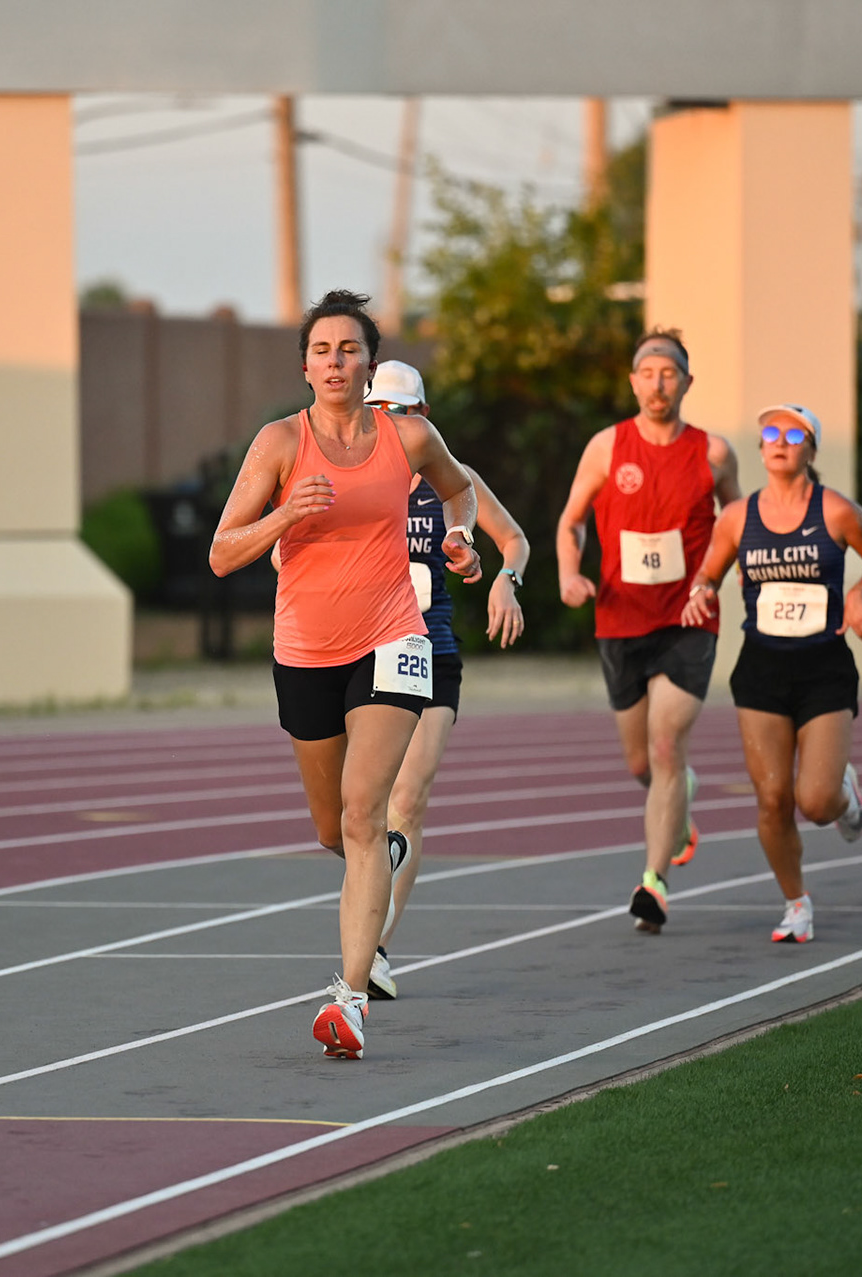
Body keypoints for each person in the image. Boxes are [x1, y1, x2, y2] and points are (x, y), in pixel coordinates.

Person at [210, 291, 481, 1059]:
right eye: (322, 350)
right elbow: (222, 553)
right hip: (305, 651)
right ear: (305, 366)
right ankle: (379, 859)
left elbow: (459, 491)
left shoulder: (409, 437)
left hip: (394, 638)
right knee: (333, 828)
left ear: (370, 363)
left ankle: (351, 999)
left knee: (365, 812)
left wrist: (461, 538)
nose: (336, 361)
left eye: (349, 348)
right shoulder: (279, 443)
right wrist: (286, 514)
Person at [679, 403, 862, 943]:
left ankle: (846, 796)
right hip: (762, 670)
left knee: (816, 801)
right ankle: (796, 903)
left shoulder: (837, 511)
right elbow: (708, 574)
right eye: (770, 433)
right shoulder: (738, 517)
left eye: (793, 434)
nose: (779, 441)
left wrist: (856, 596)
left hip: (824, 669)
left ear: (811, 449)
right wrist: (700, 593)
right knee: (773, 799)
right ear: (761, 449)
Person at [555, 329, 740, 935]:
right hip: (620, 619)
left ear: (687, 382)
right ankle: (680, 796)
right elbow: (572, 522)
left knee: (665, 747)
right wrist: (569, 573)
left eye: (670, 373)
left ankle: (653, 882)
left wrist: (717, 579)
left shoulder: (714, 452)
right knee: (642, 761)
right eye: (648, 373)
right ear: (633, 381)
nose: (659, 384)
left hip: (689, 621)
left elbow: (736, 522)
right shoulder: (607, 447)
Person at [360, 360, 530, 1002]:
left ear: (423, 418)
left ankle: (375, 948)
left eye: (402, 413)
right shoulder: (348, 477)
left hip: (429, 652)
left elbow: (514, 540)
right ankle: (366, 915)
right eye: (380, 411)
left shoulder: (454, 481)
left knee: (408, 799)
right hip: (360, 654)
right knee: (360, 809)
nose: (391, 423)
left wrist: (504, 581)